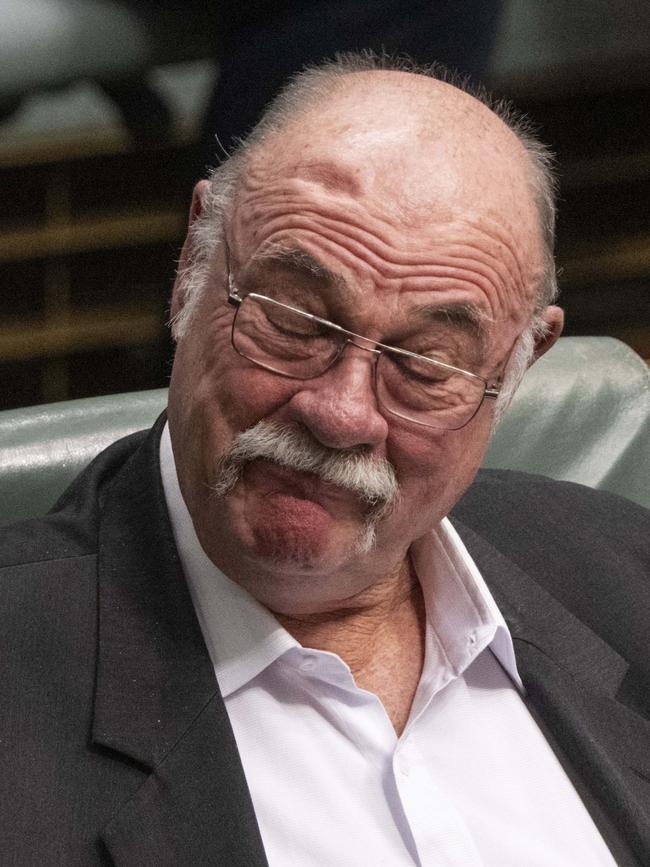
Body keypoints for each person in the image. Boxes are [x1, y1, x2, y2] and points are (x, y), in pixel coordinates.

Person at [1, 53, 648, 867]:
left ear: (520, 364)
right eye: (294, 319)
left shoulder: (629, 574)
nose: (342, 414)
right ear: (190, 269)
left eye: (427, 363)